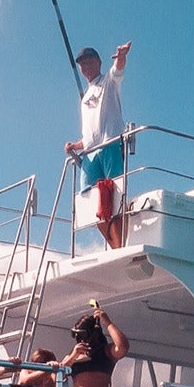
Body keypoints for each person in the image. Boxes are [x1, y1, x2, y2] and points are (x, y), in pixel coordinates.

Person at [63, 42, 132, 249]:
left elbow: (118, 70)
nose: (85, 67)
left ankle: (120, 245)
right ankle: (114, 245)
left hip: (110, 145)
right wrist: (75, 145)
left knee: (115, 198)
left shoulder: (108, 81)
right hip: (90, 154)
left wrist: (121, 56)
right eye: (82, 64)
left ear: (99, 63)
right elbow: (89, 133)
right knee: (91, 201)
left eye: (89, 62)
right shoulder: (84, 99)